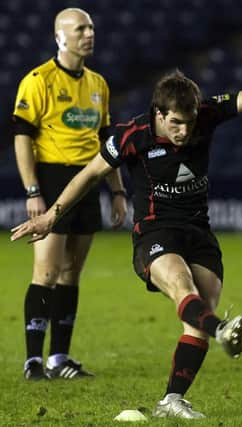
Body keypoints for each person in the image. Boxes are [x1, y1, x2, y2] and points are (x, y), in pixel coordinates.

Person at [11, 70, 242, 418]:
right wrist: (51, 216)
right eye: (176, 123)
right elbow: (89, 174)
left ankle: (171, 400)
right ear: (158, 114)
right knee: (184, 288)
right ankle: (222, 330)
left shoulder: (206, 114)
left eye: (190, 122)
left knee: (200, 313)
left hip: (199, 231)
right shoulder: (132, 135)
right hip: (155, 232)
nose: (184, 131)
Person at [13, 8, 127, 381]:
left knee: (71, 274)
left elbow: (106, 143)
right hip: (51, 179)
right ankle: (33, 360)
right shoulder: (38, 80)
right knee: (45, 271)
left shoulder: (98, 84)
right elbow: (22, 139)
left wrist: (117, 190)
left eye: (91, 27)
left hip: (89, 180)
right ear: (60, 36)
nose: (89, 33)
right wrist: (33, 191)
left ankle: (59, 358)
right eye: (81, 28)